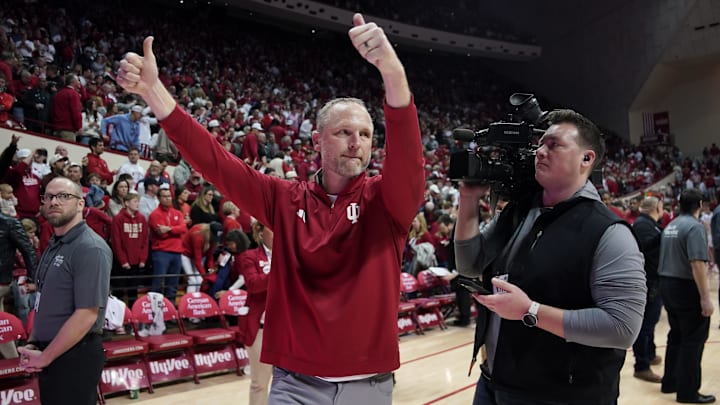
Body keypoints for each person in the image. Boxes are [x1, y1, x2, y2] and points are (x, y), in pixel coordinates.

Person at [118, 13, 423, 403]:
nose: (356, 142)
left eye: (364, 134)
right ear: (317, 140)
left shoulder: (387, 202)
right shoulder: (283, 198)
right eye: (344, 132)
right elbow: (214, 161)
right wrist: (153, 91)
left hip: (368, 385)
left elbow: (409, 158)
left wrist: (391, 70)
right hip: (295, 384)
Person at [454, 109, 646, 404]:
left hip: (563, 395)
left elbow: (622, 328)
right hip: (494, 383)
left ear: (587, 159)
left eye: (554, 145)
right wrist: (468, 201)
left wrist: (530, 311)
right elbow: (469, 264)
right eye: (540, 145)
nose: (540, 152)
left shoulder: (609, 232)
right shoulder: (518, 212)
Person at [18, 177, 111, 405]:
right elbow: (44, 301)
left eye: (63, 196)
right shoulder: (55, 243)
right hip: (51, 351)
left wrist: (45, 357)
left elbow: (86, 314)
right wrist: (34, 341)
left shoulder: (91, 248)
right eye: (49, 197)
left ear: (81, 204)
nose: (54, 202)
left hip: (75, 354)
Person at [658, 188, 715, 404]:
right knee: (693, 340)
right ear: (699, 205)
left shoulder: (670, 226)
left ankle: (670, 382)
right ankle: (688, 391)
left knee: (676, 336)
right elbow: (697, 264)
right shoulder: (694, 227)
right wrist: (705, 298)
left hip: (667, 284)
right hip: (685, 287)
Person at [237, 222, 274, 405]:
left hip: (289, 329)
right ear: (260, 232)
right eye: (272, 227)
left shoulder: (292, 255)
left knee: (290, 383)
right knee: (260, 383)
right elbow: (253, 285)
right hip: (261, 328)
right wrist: (280, 270)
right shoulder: (249, 256)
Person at [631, 196, 665, 383]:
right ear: (656, 207)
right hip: (648, 281)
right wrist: (662, 235)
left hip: (653, 280)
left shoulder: (649, 224)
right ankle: (641, 365)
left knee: (650, 323)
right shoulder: (643, 224)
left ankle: (649, 354)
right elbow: (645, 248)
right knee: (645, 326)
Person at [0, 211, 38, 358]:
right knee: (1, 324)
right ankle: (13, 361)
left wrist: (34, 279)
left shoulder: (9, 223)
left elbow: (28, 251)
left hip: (2, 280)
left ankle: (13, 362)